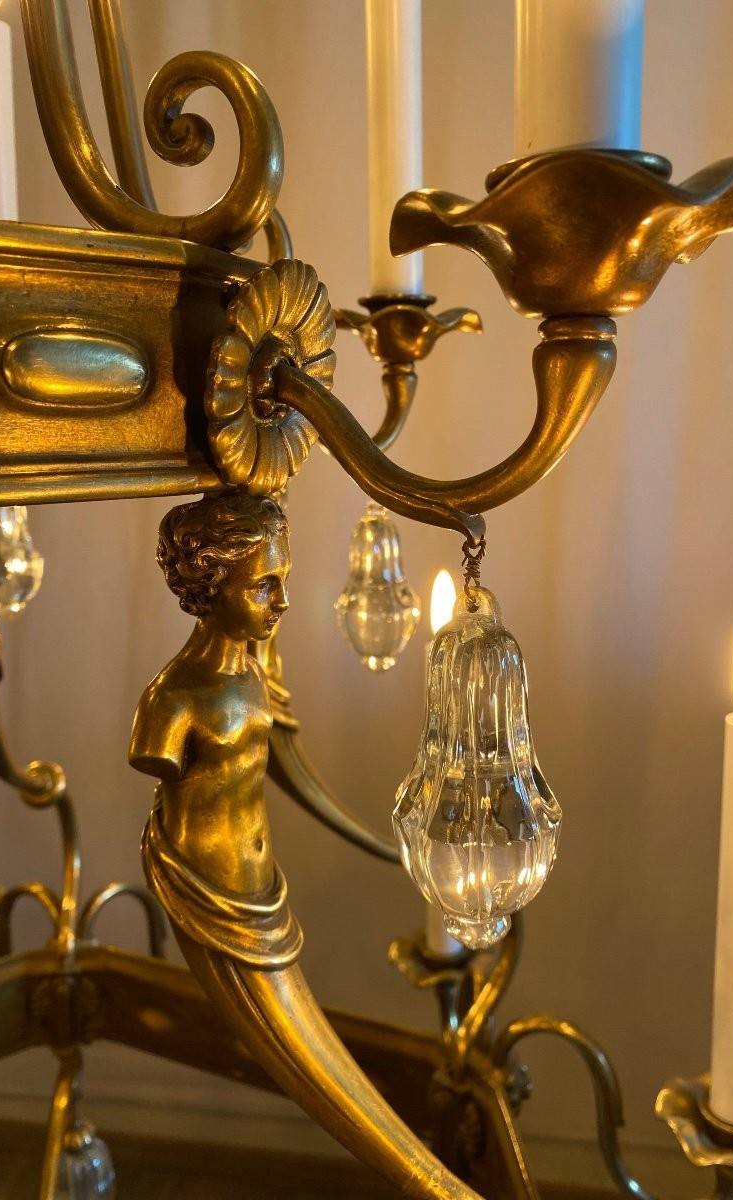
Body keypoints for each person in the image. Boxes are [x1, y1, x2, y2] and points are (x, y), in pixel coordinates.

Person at [129, 490, 481, 1200]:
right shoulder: (174, 702)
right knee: (314, 1071)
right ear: (209, 587)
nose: (283, 600)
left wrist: (385, 846)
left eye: (282, 578)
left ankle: (439, 1185)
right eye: (263, 584)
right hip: (211, 898)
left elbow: (282, 766)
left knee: (325, 1059)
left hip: (264, 895)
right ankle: (438, 1188)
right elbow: (160, 763)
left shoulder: (254, 670)